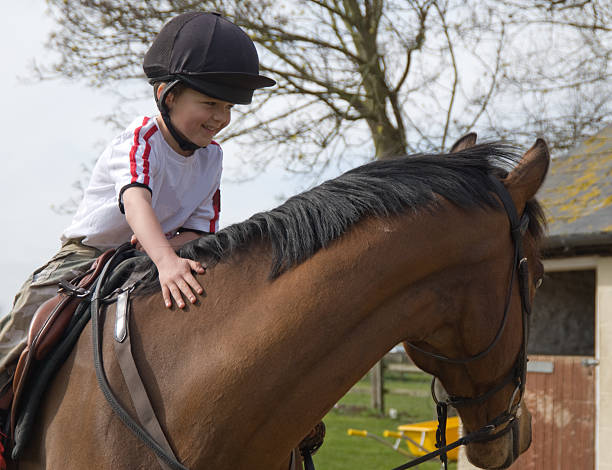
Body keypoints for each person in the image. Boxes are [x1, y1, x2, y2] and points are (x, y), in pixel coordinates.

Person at [0, 11, 275, 456]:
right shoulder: (142, 137)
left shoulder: (212, 159)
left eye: (228, 108)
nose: (221, 118)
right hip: (87, 256)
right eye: (210, 104)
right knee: (24, 331)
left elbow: (200, 229)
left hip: (150, 257)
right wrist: (166, 260)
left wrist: (176, 254)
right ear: (168, 94)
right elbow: (134, 201)